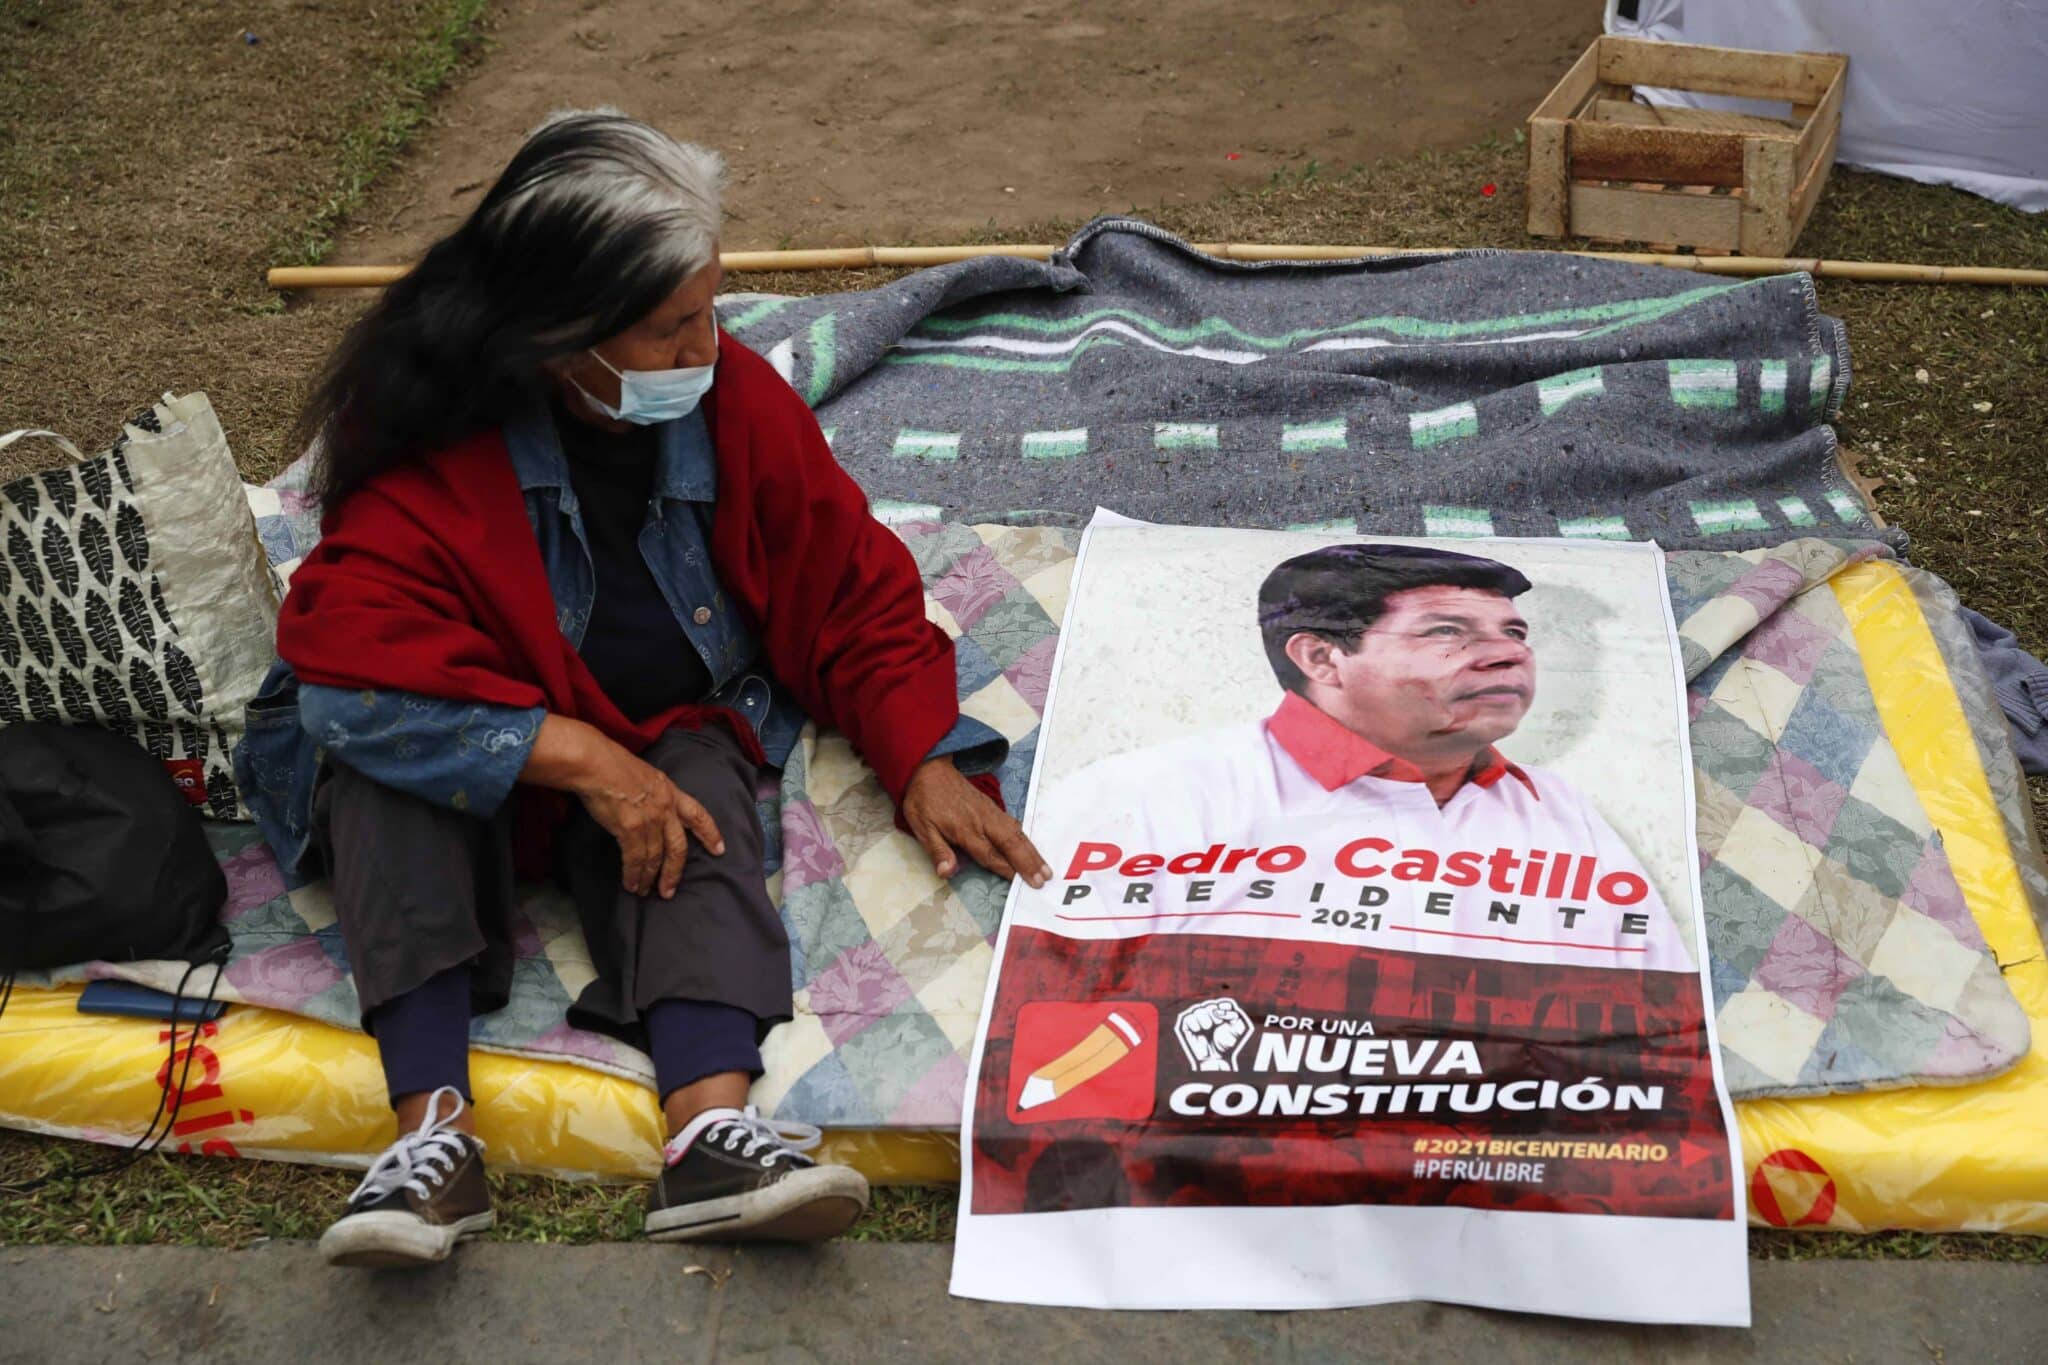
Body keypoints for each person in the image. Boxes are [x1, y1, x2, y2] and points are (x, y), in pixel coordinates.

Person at [234, 109, 1051, 1268]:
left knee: (700, 804)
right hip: (484, 738)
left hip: (666, 720)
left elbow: (847, 584)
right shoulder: (424, 444)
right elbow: (351, 682)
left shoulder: (733, 403)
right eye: (669, 330)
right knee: (383, 788)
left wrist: (916, 748)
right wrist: (569, 754)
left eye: (709, 311)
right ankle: (430, 1141)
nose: (705, 351)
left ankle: (713, 1134)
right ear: (563, 344)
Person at [1033, 544, 1693, 970]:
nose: (1509, 653)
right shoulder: (1149, 793)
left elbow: (1657, 1017)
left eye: (1514, 632)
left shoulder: (1560, 810)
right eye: (1447, 631)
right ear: (1321, 657)